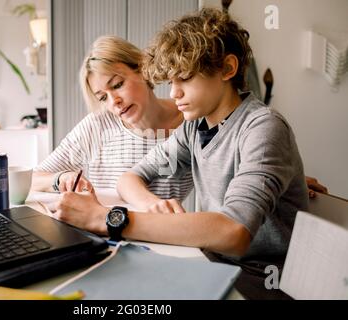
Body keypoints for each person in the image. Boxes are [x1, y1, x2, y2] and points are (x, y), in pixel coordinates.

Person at [49, 8, 310, 299]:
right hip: (213, 262)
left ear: (227, 69)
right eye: (171, 81)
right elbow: (130, 178)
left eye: (183, 78)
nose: (173, 93)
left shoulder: (263, 128)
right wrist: (150, 205)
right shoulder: (195, 128)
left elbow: (232, 232)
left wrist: (107, 218)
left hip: (261, 279)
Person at [31, 35, 193, 201]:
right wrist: (60, 179)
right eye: (102, 98)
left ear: (142, 69)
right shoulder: (97, 126)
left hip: (161, 226)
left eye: (117, 85)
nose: (114, 101)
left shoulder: (190, 122)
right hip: (99, 225)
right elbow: (32, 179)